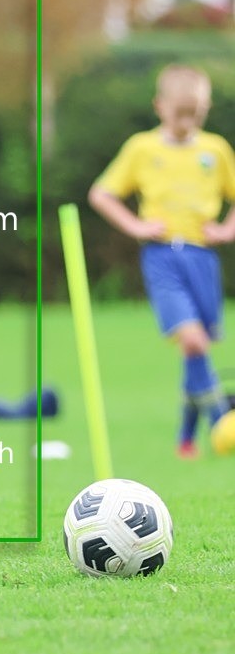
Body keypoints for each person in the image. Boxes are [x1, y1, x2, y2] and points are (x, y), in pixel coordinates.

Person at [89, 64, 235, 458]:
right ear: (160, 107)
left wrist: (227, 229)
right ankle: (221, 420)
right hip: (162, 256)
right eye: (180, 114)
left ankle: (185, 439)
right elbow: (101, 194)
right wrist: (135, 226)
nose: (187, 123)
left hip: (203, 257)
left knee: (195, 349)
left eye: (196, 114)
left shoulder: (216, 150)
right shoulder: (142, 148)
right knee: (193, 340)